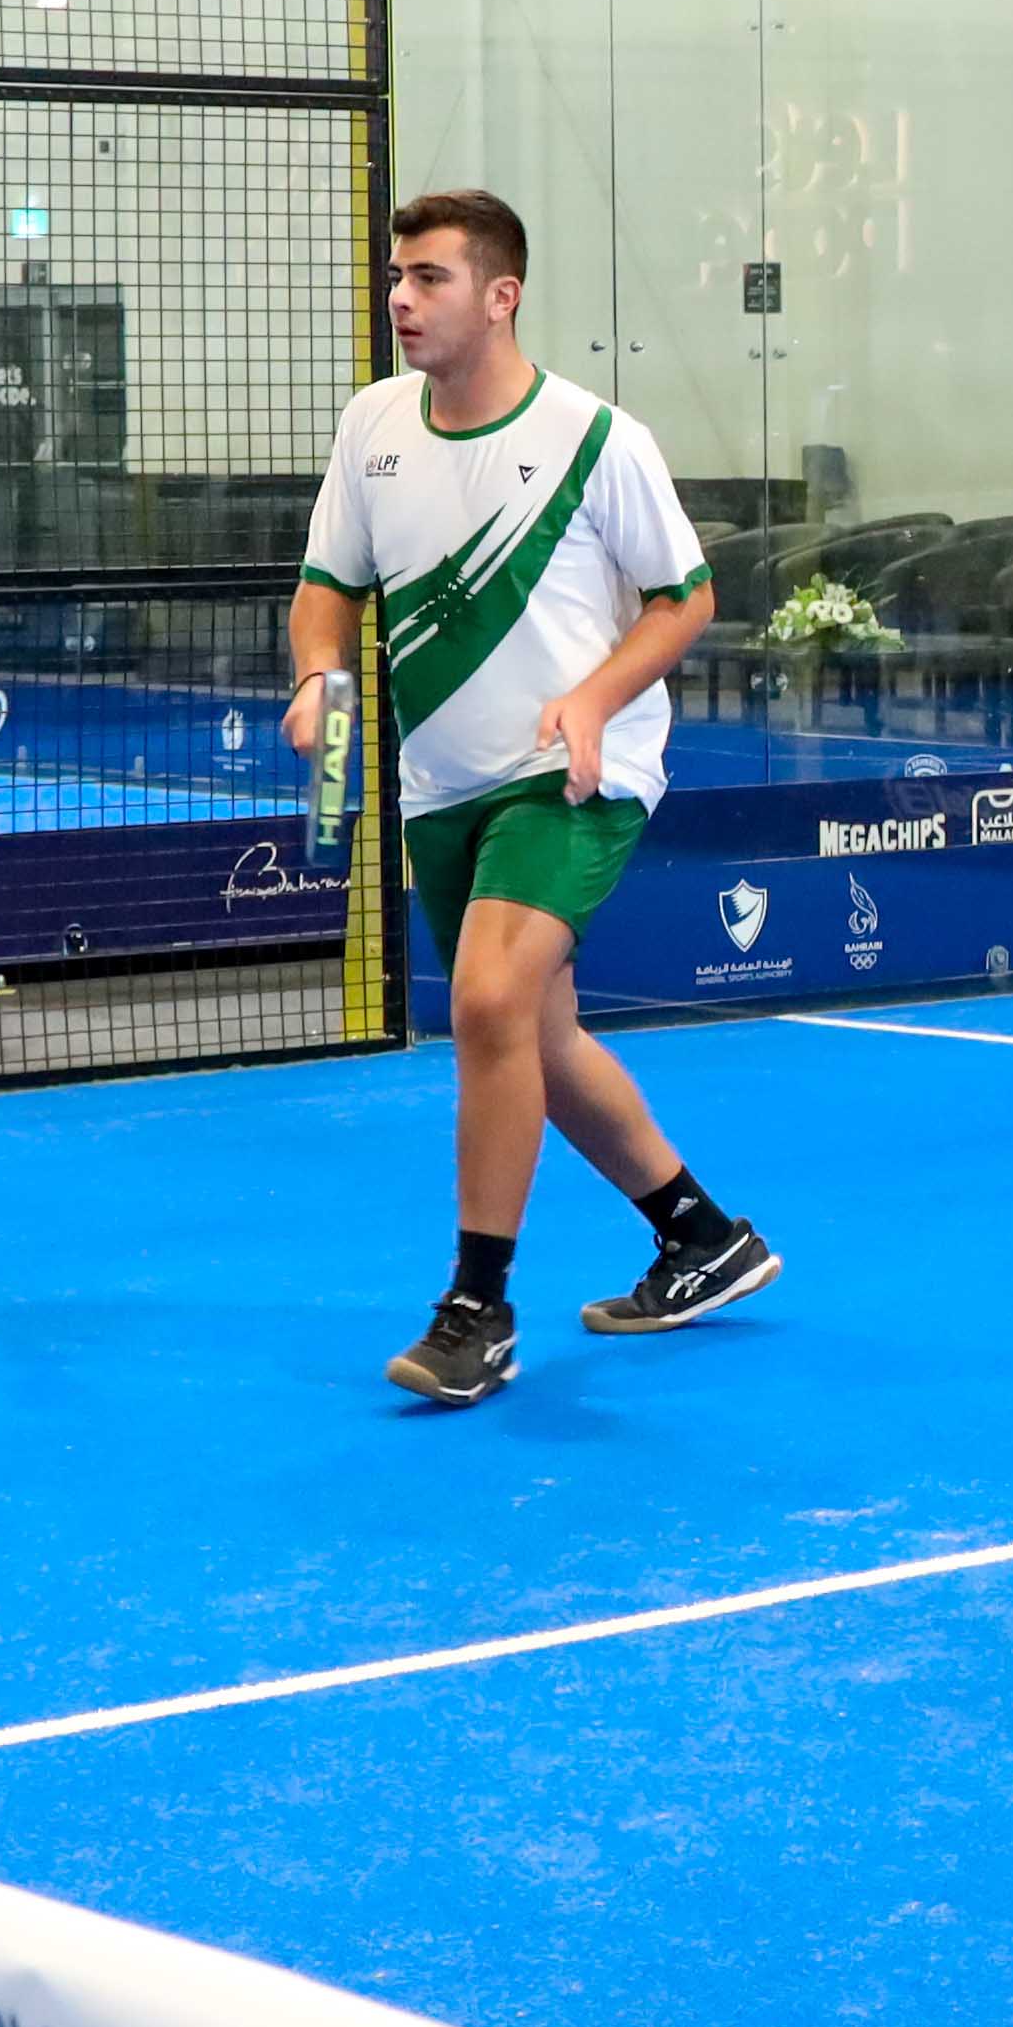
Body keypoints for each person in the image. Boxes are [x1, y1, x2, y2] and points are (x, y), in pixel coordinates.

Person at [288, 190, 780, 1405]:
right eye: (397, 277)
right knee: (536, 1037)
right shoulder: (372, 425)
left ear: (500, 295)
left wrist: (597, 699)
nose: (401, 298)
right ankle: (701, 1235)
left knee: (488, 1001)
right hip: (441, 785)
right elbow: (329, 588)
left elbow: (685, 596)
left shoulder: (595, 437)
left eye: (430, 278)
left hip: (574, 775)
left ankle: (477, 1309)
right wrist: (317, 681)